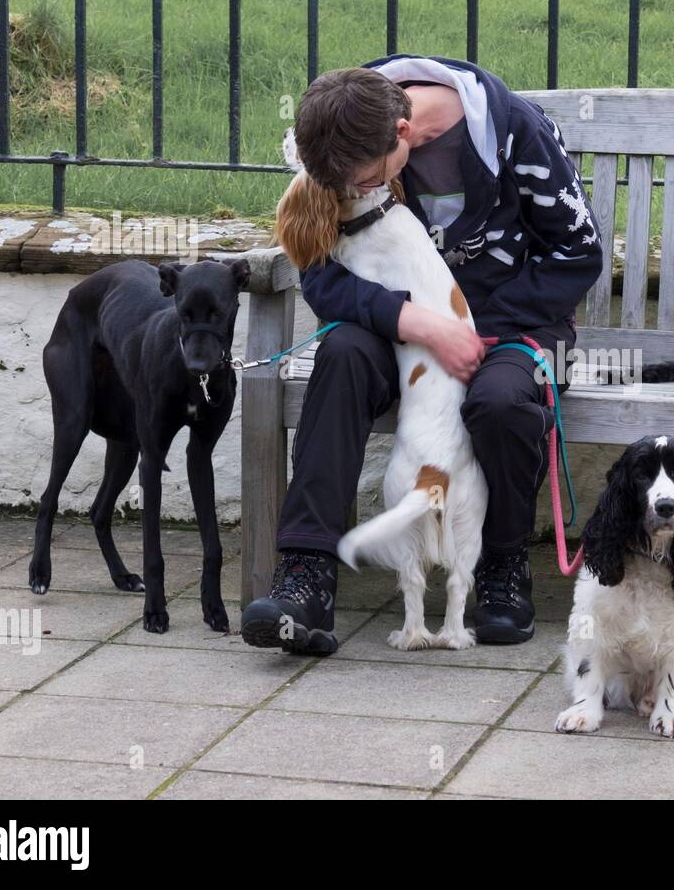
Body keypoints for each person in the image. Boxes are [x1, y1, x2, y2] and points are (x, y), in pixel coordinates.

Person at [241, 55, 603, 653]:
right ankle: (306, 575)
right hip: (398, 332)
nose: (355, 194)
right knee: (343, 357)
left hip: (517, 324)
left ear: (403, 135)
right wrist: (418, 321)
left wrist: (475, 326)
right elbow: (319, 273)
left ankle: (501, 566)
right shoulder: (345, 119)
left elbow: (578, 254)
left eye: (361, 182)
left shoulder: (516, 133)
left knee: (500, 401)